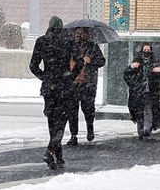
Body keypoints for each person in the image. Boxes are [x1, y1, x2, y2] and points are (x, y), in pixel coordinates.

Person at [30, 16, 82, 169]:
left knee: (52, 121)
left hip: (49, 87)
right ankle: (51, 150)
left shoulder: (41, 41)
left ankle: (58, 156)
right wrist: (71, 75)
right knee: (62, 120)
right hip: (65, 86)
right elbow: (79, 62)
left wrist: (44, 77)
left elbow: (33, 65)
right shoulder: (69, 41)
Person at [66, 27, 105, 146]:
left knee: (88, 109)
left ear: (86, 34)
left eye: (81, 33)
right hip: (73, 83)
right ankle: (74, 135)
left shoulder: (93, 47)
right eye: (77, 32)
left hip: (88, 84)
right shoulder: (70, 46)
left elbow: (102, 61)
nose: (79, 35)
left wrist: (91, 60)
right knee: (72, 111)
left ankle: (90, 128)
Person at [124, 43, 160, 140]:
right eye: (145, 50)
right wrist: (132, 68)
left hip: (150, 91)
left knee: (148, 110)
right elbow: (127, 74)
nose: (146, 52)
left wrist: (159, 72)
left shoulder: (155, 61)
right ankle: (141, 130)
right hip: (138, 91)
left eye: (148, 50)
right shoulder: (137, 61)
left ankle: (146, 130)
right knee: (139, 111)